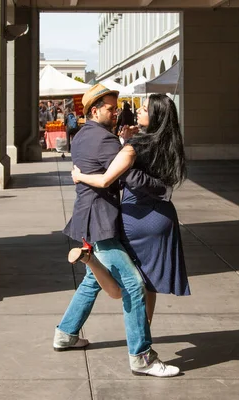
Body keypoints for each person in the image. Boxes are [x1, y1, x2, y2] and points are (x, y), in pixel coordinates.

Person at [55, 84, 180, 378]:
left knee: (93, 280)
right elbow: (131, 176)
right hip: (101, 221)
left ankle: (66, 333)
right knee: (134, 286)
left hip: (87, 217)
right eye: (111, 108)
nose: (116, 112)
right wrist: (161, 187)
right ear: (94, 110)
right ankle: (142, 357)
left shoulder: (83, 135)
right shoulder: (106, 141)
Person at [71, 94, 190, 326]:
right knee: (149, 282)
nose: (137, 111)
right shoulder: (169, 141)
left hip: (136, 217)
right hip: (163, 218)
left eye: (144, 109)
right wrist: (162, 189)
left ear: (154, 116)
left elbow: (116, 178)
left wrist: (81, 176)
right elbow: (162, 180)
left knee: (127, 284)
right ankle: (145, 329)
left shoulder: (137, 145)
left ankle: (89, 260)